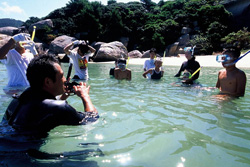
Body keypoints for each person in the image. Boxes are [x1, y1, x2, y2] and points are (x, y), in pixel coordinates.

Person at [1, 55, 98, 135]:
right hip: (26, 157)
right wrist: (85, 96)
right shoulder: (59, 107)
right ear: (48, 81)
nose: (65, 80)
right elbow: (92, 119)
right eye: (61, 76)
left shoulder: (17, 99)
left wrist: (63, 96)